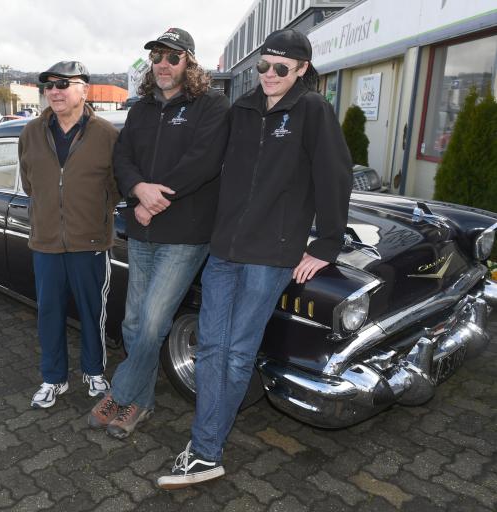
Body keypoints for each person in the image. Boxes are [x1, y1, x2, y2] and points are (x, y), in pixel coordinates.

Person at [158, 28, 353, 489]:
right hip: (225, 249)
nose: (269, 75)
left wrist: (326, 243)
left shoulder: (312, 111)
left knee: (237, 352)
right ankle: (206, 443)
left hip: (271, 255)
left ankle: (205, 451)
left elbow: (334, 176)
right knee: (210, 346)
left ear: (302, 69)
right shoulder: (242, 108)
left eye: (281, 68)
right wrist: (154, 190)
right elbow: (207, 163)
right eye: (264, 66)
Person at [88, 28, 229, 439]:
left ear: (190, 62)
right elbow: (123, 157)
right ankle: (141, 403)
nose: (163, 64)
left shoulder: (213, 105)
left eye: (173, 57)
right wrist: (137, 192)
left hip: (184, 234)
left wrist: (153, 200)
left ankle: (122, 392)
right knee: (133, 324)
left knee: (152, 324)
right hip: (143, 229)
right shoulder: (141, 110)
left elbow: (203, 162)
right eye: (157, 58)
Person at [18, 61, 121, 408]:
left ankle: (93, 372)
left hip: (89, 243)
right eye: (48, 85)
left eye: (63, 84)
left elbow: (116, 186)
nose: (55, 91)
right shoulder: (31, 132)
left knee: (93, 312)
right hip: (46, 243)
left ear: (84, 90)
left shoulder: (107, 134)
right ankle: (53, 379)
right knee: (48, 313)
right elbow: (31, 183)